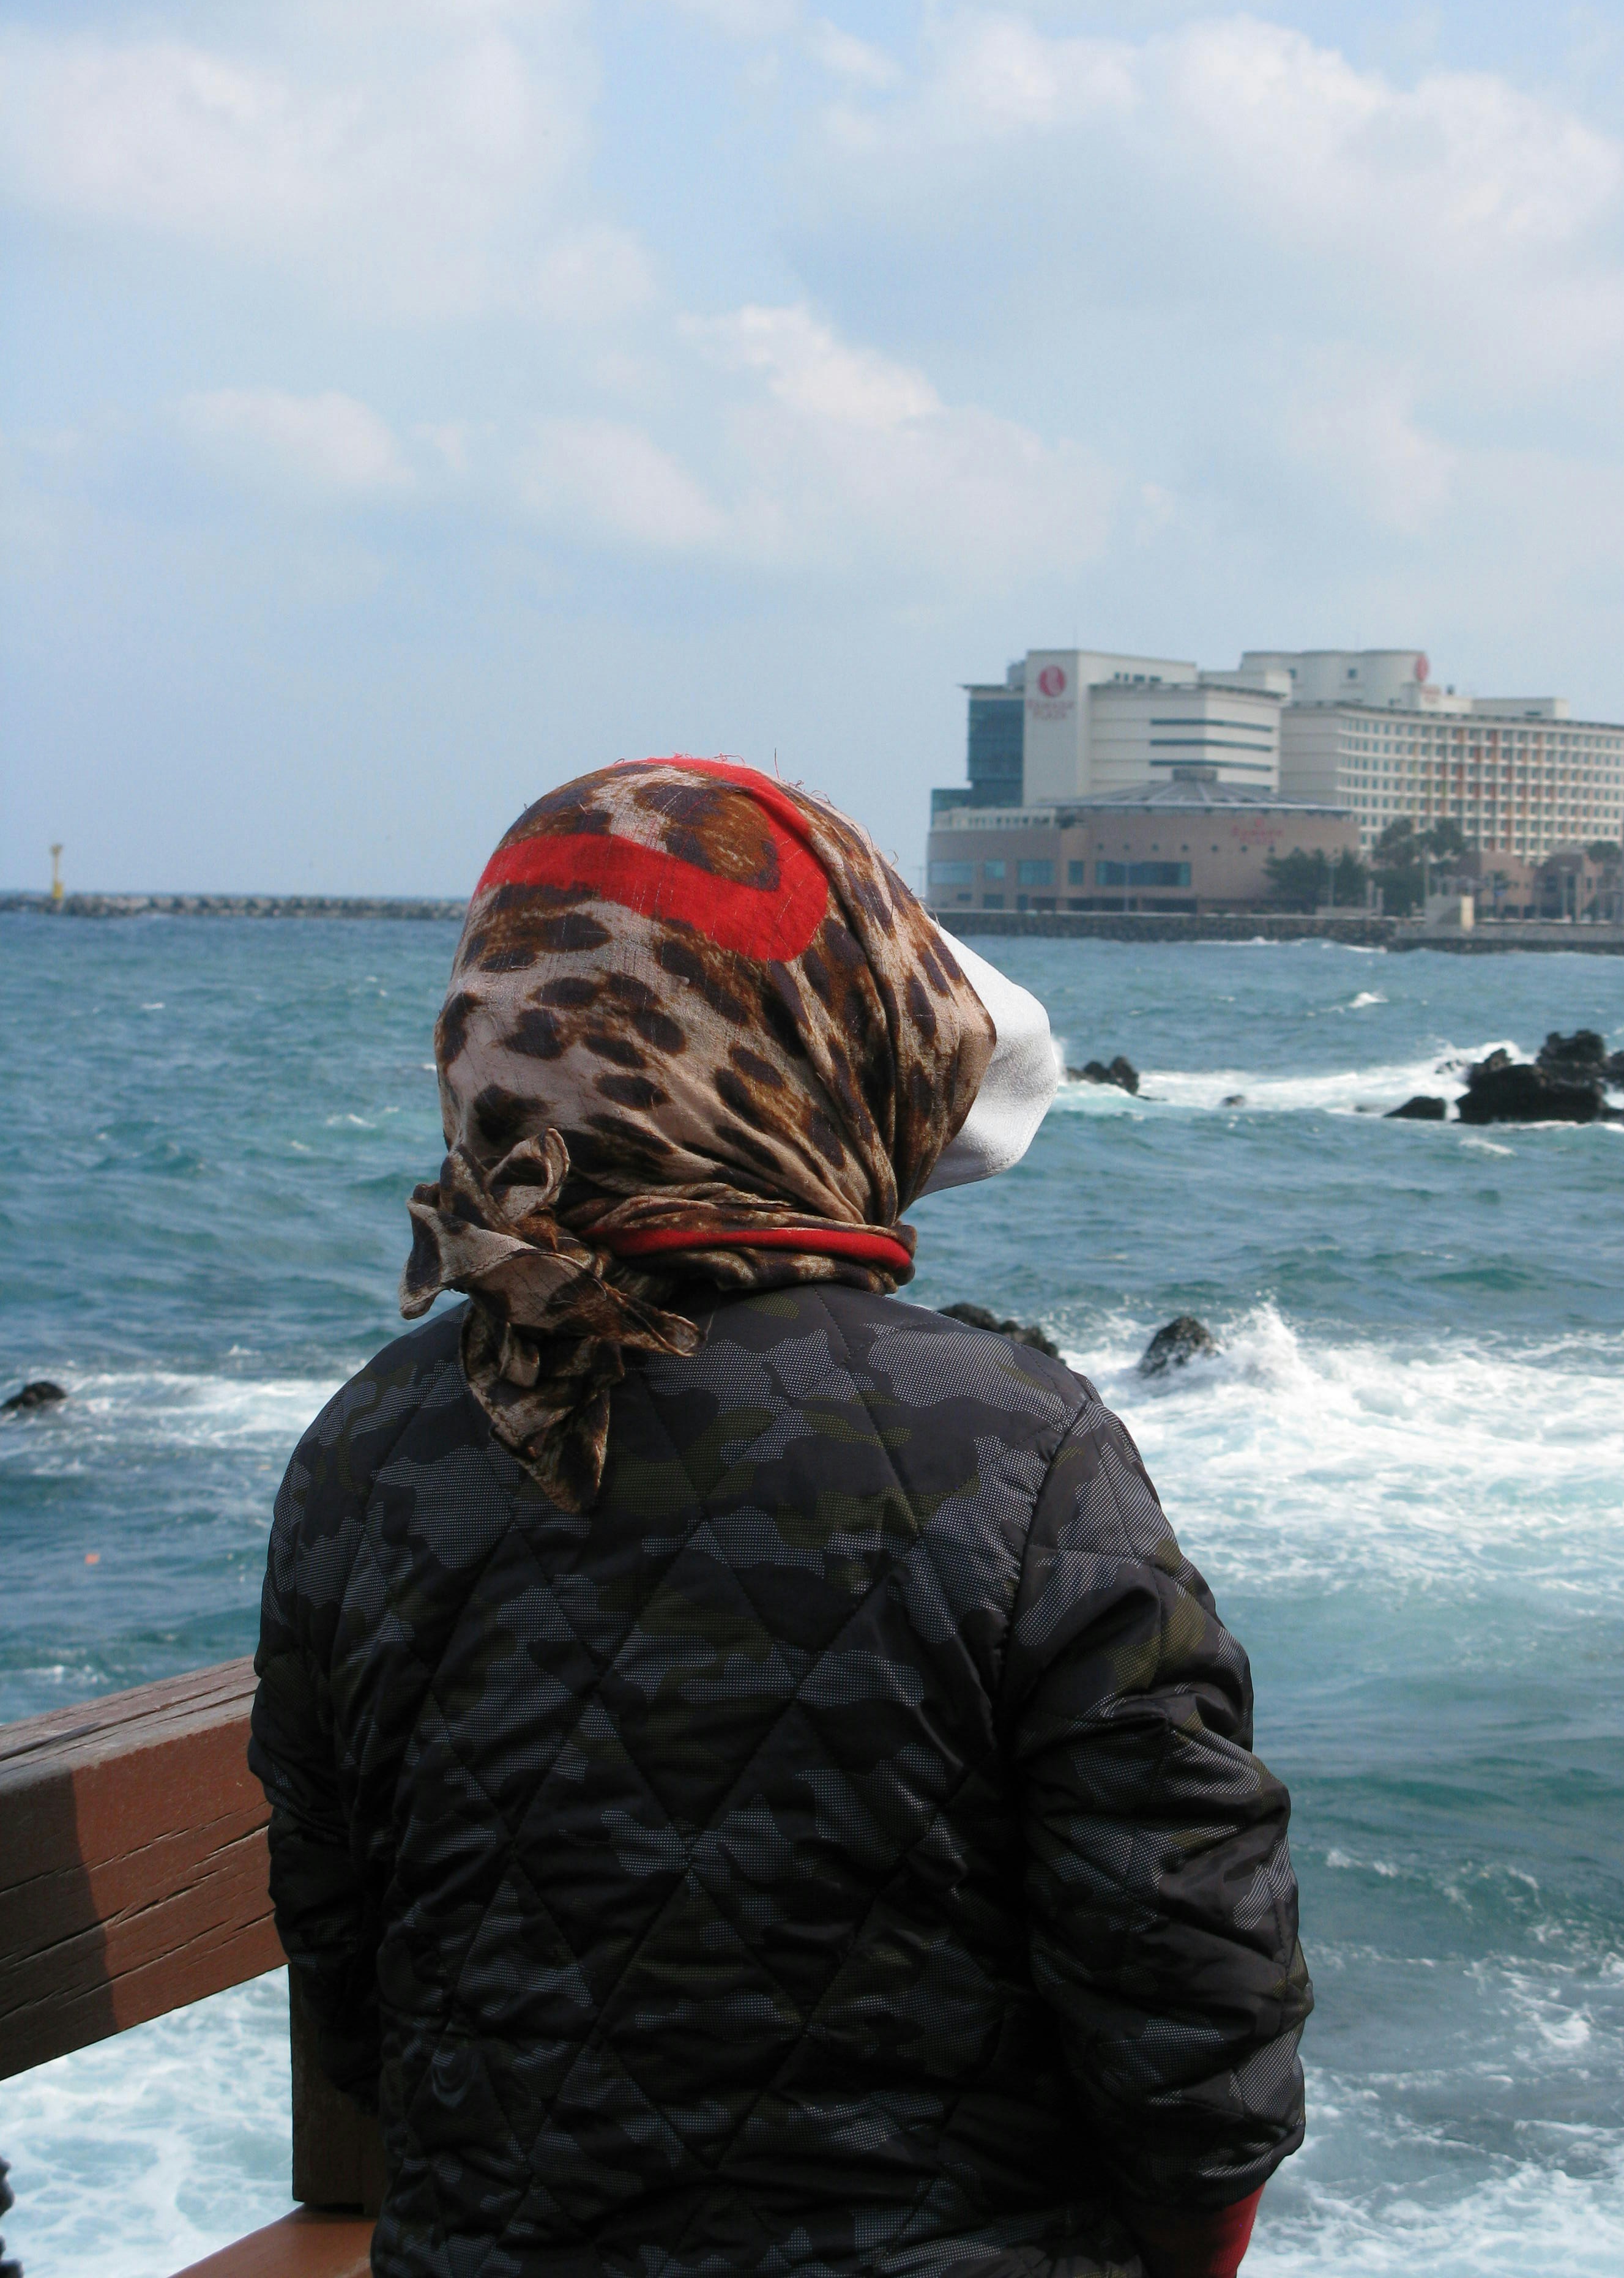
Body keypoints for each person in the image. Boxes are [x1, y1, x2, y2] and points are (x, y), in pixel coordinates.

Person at [250, 757, 1311, 2278]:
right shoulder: (1018, 1443)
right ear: (822, 1050)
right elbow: (1189, 1969)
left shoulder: (362, 1448)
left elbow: (347, 1972)